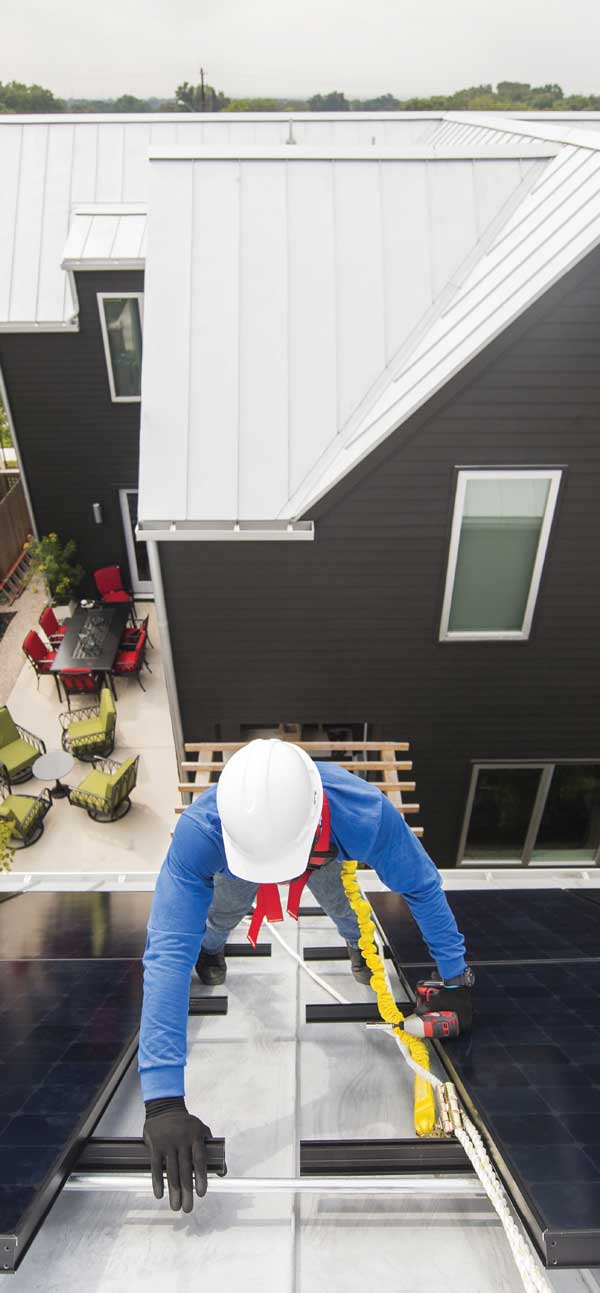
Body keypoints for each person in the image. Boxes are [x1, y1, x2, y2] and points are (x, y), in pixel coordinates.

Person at [139, 738, 473, 1213]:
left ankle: (359, 947)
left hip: (325, 852)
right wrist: (162, 1099)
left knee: (346, 909)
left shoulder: (364, 815)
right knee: (221, 912)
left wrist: (457, 979)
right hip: (242, 859)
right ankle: (212, 952)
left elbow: (421, 886)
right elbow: (168, 952)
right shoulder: (206, 830)